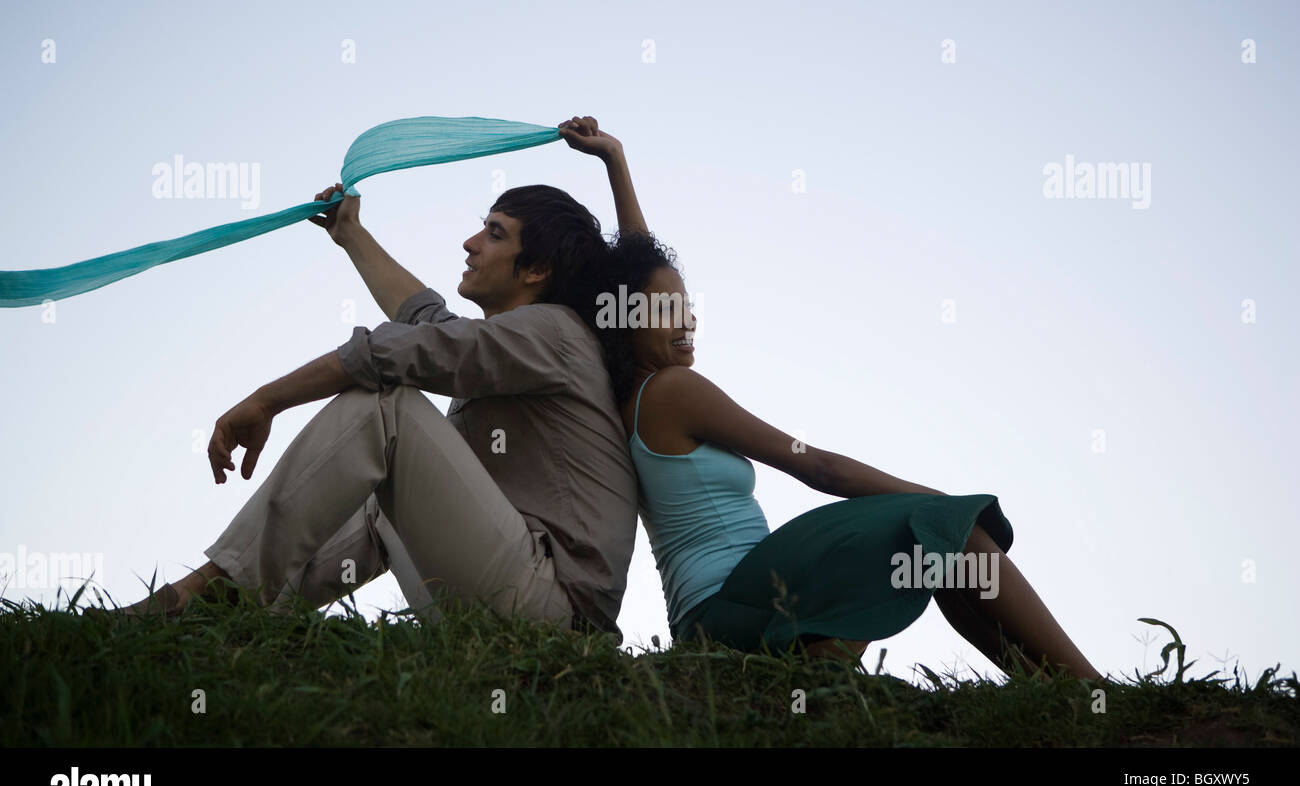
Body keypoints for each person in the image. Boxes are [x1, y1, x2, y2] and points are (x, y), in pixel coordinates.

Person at [557, 116, 1103, 680]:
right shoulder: (672, 390)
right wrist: (940, 500)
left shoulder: (630, 396)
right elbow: (818, 467)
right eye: (666, 309)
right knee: (943, 527)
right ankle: (1088, 686)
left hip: (713, 619)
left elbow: (636, 269)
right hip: (737, 604)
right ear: (624, 321)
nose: (687, 319)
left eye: (687, 304)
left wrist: (615, 163)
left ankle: (1039, 686)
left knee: (938, 557)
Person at [99, 128, 640, 643]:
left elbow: (393, 352)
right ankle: (236, 609)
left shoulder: (553, 333)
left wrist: (266, 401)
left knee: (388, 407)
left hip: (554, 609)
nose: (471, 243)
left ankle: (207, 595)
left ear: (536, 270)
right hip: (515, 592)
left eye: (495, 233)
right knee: (383, 492)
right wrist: (350, 233)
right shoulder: (513, 343)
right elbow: (424, 319)